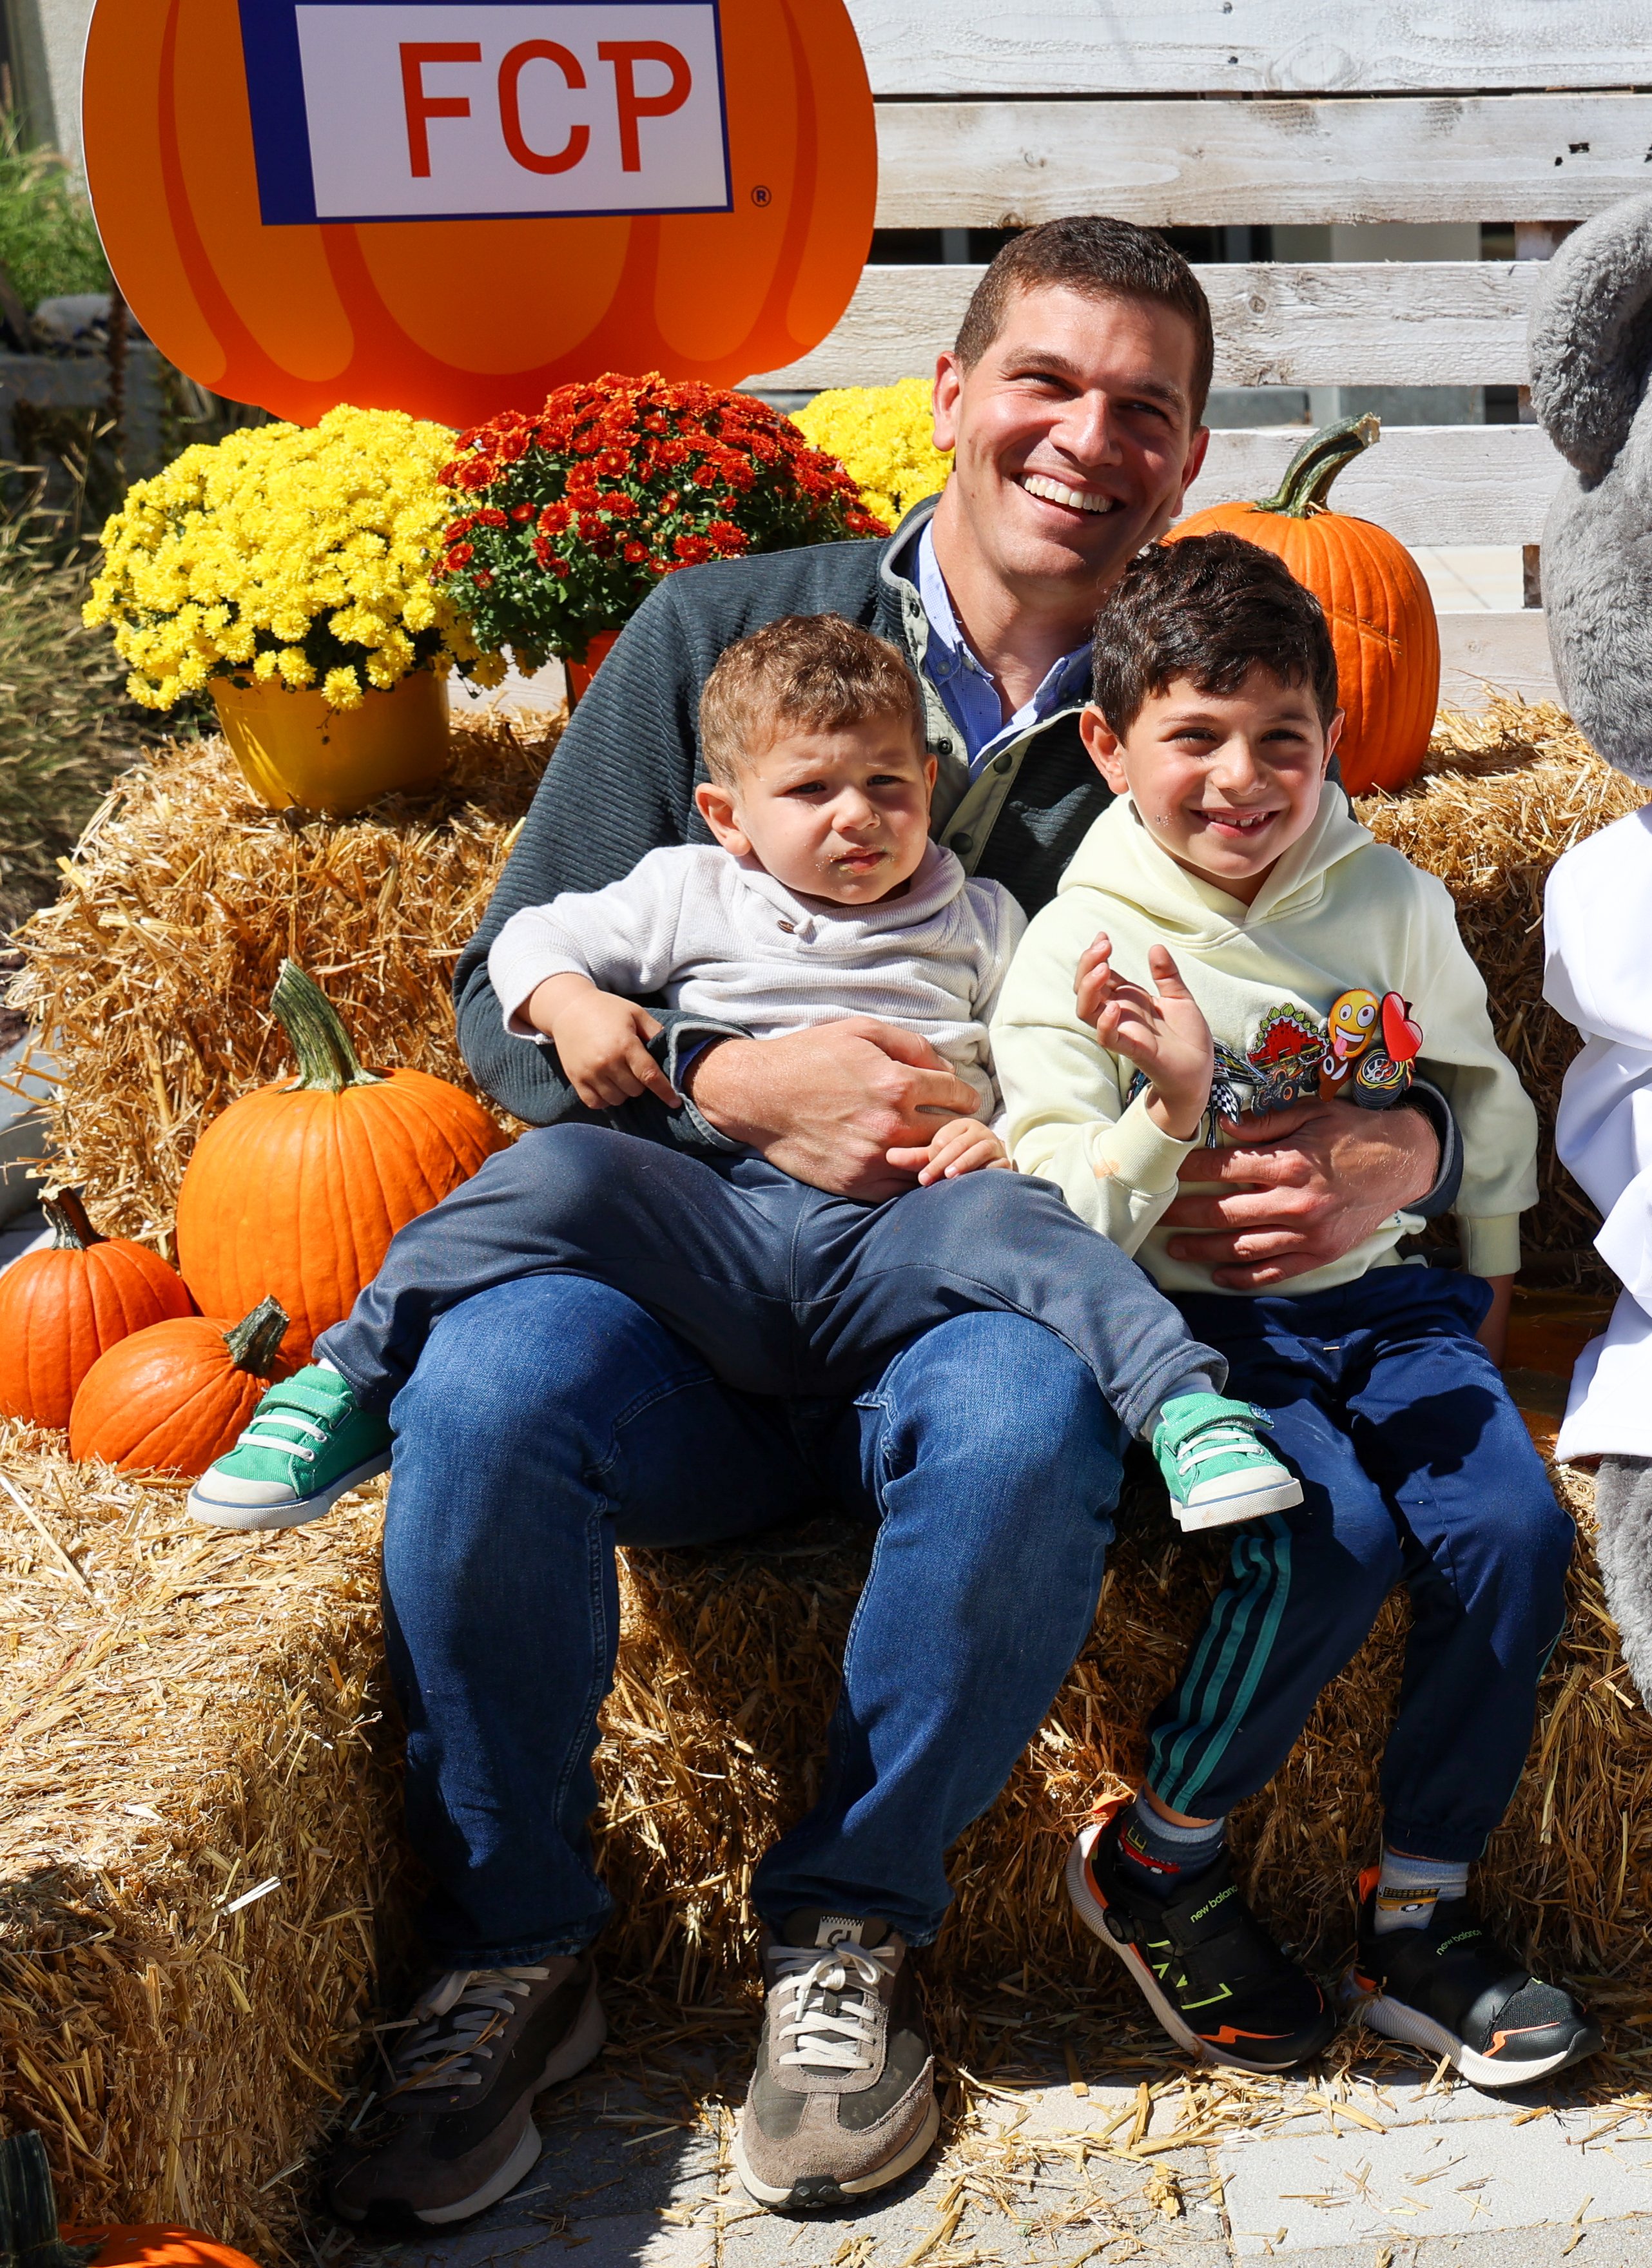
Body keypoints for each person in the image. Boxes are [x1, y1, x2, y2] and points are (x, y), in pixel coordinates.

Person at [322, 220, 1452, 2233]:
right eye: (1047, 383)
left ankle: (846, 1938)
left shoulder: (1209, 707)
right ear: (947, 395)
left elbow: (1366, 1000)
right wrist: (707, 1073)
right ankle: (515, 1945)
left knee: (1028, 1414)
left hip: (962, 1293)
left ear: (1186, 459)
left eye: (1145, 410)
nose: (1086, 438)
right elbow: (509, 981)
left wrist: (1413, 1154)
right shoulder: (718, 635)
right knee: (487, 1386)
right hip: (677, 1283)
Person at [187, 615, 1302, 1546]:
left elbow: (1032, 1062)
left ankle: (1185, 1410)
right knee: (557, 1166)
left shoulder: (984, 918)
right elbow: (527, 943)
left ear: (928, 780)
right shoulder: (687, 891)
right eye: (810, 789)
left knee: (1028, 1222)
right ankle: (349, 1383)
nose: (856, 815)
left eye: (884, 782)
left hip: (900, 1230)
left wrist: (997, 1136)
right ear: (730, 817)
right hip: (706, 1213)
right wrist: (571, 1005)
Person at [994, 536, 1599, 2089]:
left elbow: (1473, 1086)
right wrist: (1172, 1111)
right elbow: (1050, 1204)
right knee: (1329, 1537)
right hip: (1194, 1340)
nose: (1245, 777)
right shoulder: (1078, 948)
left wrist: (1477, 1259)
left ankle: (1420, 1910)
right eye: (1195, 735)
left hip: (1392, 1308)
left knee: (1516, 1534)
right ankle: (1162, 1849)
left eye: (1285, 736)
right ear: (1109, 746)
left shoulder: (1389, 897)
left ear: (1334, 737)